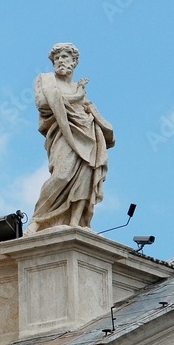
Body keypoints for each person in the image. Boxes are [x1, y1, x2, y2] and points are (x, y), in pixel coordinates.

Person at [29, 43, 114, 233]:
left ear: (74, 62)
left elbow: (86, 109)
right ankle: (38, 220)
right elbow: (44, 103)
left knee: (85, 174)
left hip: (87, 133)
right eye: (57, 58)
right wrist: (76, 97)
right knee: (62, 174)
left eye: (65, 57)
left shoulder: (77, 87)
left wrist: (86, 105)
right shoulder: (46, 79)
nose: (60, 60)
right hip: (63, 133)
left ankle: (77, 221)